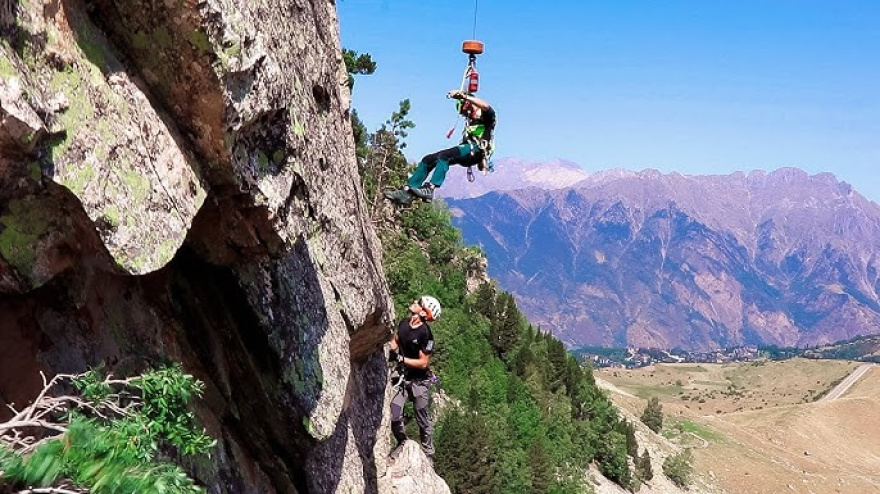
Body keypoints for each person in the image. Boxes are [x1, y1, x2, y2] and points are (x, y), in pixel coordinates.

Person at [384, 90, 496, 204]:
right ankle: (407, 192)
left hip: (476, 151)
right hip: (467, 151)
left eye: (465, 111)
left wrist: (465, 96)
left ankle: (430, 188)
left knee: (445, 156)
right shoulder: (470, 121)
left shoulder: (487, 118)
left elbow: (486, 106)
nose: (465, 115)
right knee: (428, 159)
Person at [388, 295, 442, 463]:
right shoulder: (404, 324)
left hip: (419, 383)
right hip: (404, 379)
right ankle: (402, 442)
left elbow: (423, 363)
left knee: (422, 418)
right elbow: (396, 340)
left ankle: (428, 454)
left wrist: (402, 360)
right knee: (394, 413)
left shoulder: (426, 334)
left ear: (424, 312)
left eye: (419, 303)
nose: (415, 302)